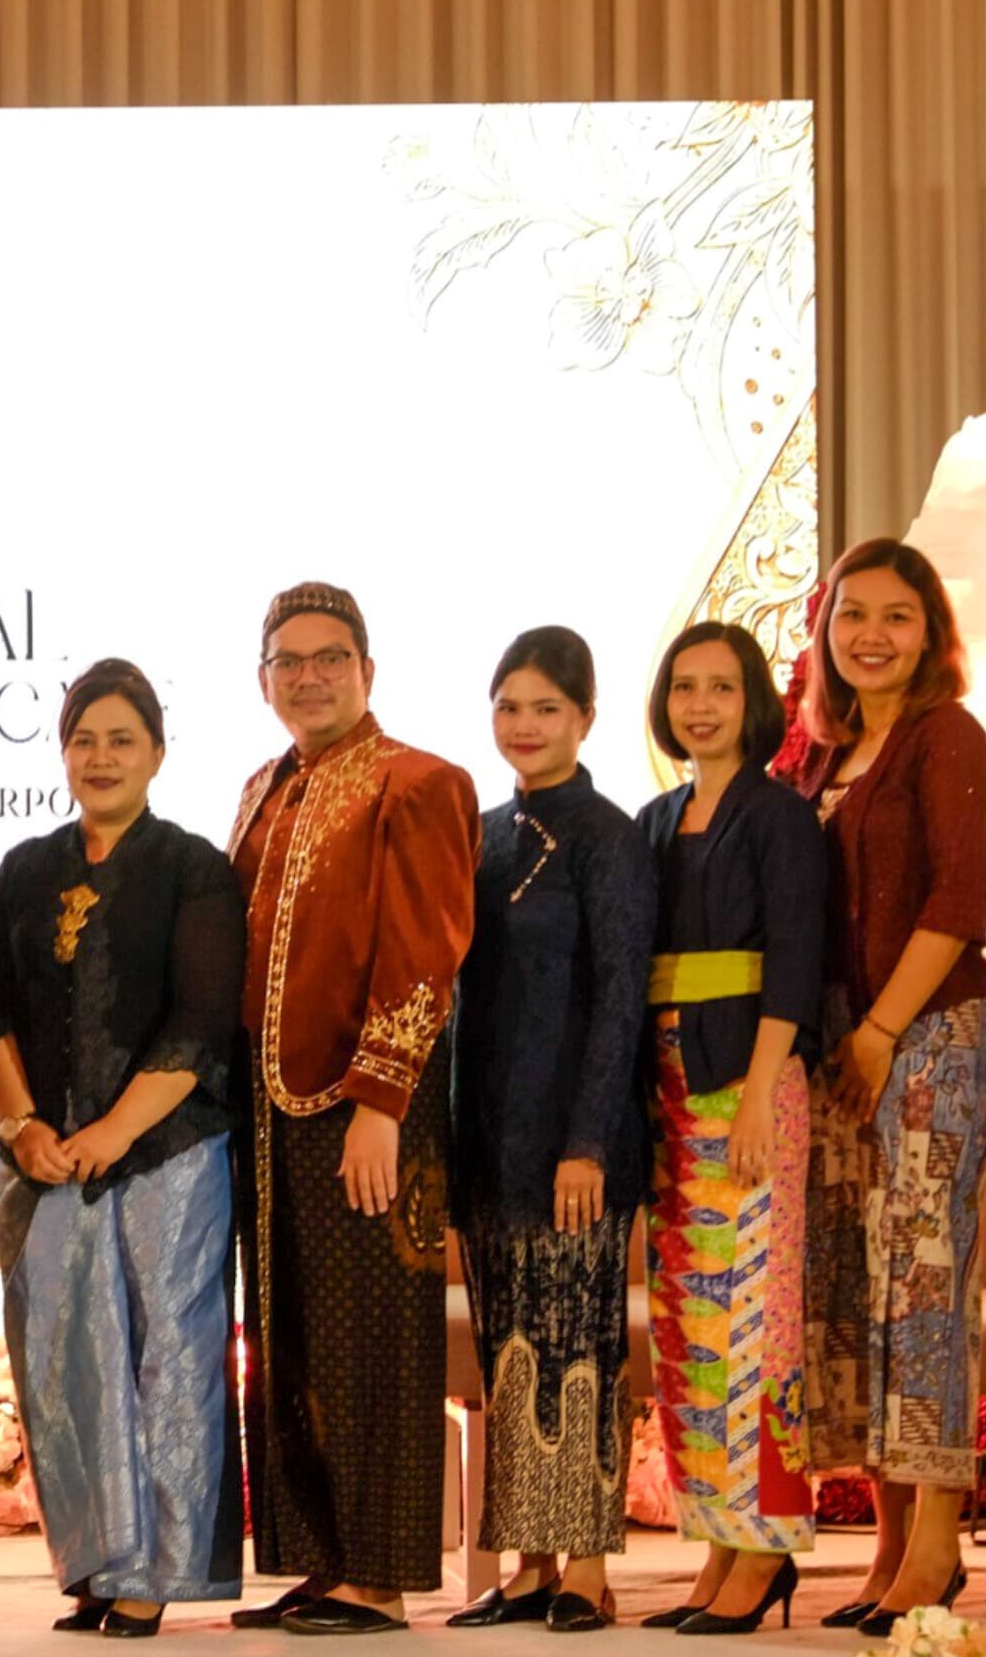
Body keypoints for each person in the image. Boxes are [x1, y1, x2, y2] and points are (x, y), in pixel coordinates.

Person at [0, 659, 244, 1639]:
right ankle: (93, 1563)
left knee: (168, 1358)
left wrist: (109, 1134)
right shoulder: (26, 869)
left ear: (158, 754)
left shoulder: (193, 867)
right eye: (84, 739)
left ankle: (159, 1572)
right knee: (60, 1359)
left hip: (165, 1154)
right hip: (43, 1165)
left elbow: (202, 1021)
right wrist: (24, 1127)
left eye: (121, 739)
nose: (101, 756)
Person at [225, 582, 479, 1636]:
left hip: (372, 1106)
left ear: (367, 671)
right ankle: (318, 1558)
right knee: (288, 1341)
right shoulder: (263, 787)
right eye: (289, 660)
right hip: (271, 1114)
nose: (310, 676)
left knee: (374, 1339)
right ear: (263, 678)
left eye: (331, 657)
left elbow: (425, 949)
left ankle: (375, 1573)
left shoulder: (417, 782)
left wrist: (381, 1098)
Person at [791, 539, 986, 1637]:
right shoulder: (821, 760)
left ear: (929, 633)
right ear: (824, 631)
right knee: (859, 1290)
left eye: (896, 617)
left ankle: (938, 1546)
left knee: (924, 1285)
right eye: (850, 614)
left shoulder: (944, 737)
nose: (870, 634)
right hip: (844, 1048)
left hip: (927, 1037)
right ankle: (882, 1542)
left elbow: (956, 903)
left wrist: (879, 1033)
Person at [448, 627, 652, 1634]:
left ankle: (587, 1568)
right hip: (490, 1138)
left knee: (581, 1351)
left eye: (546, 709)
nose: (524, 727)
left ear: (585, 719)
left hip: (575, 1143)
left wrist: (590, 1142)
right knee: (508, 1353)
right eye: (508, 706)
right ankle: (525, 1562)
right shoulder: (478, 835)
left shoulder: (610, 838)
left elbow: (620, 1000)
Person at [632, 623, 823, 1635]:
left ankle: (765, 1549)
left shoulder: (778, 816)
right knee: (691, 1332)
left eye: (719, 686)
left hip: (751, 1082)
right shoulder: (658, 816)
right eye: (682, 687)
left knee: (756, 1327)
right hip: (670, 1086)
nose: (699, 704)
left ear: (754, 699)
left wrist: (759, 1088)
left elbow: (793, 956)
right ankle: (716, 1539)